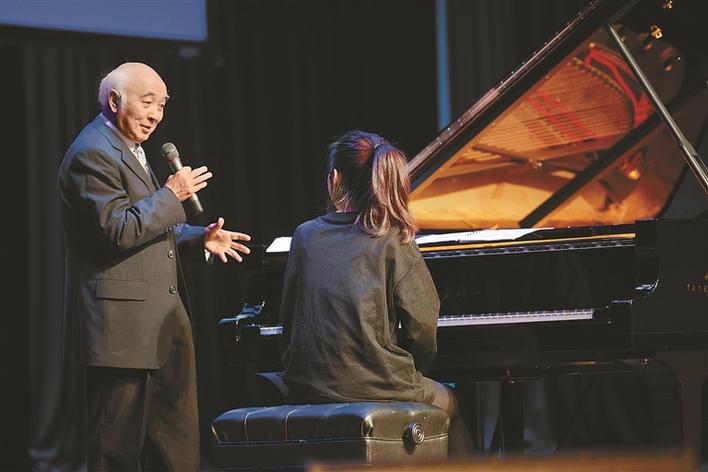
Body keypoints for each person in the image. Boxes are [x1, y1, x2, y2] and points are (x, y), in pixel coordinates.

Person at [57, 62, 251, 471]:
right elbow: (116, 229)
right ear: (115, 101)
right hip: (121, 332)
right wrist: (171, 194)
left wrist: (197, 237)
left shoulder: (132, 149)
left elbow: (148, 228)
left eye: (162, 105)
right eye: (147, 103)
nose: (155, 115)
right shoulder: (91, 152)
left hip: (163, 323)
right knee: (115, 450)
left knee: (175, 447)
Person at [278, 130, 474, 456]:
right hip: (381, 384)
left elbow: (290, 321)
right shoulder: (392, 236)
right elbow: (423, 324)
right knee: (452, 401)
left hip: (310, 385)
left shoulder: (304, 236)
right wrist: (412, 369)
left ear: (334, 179)